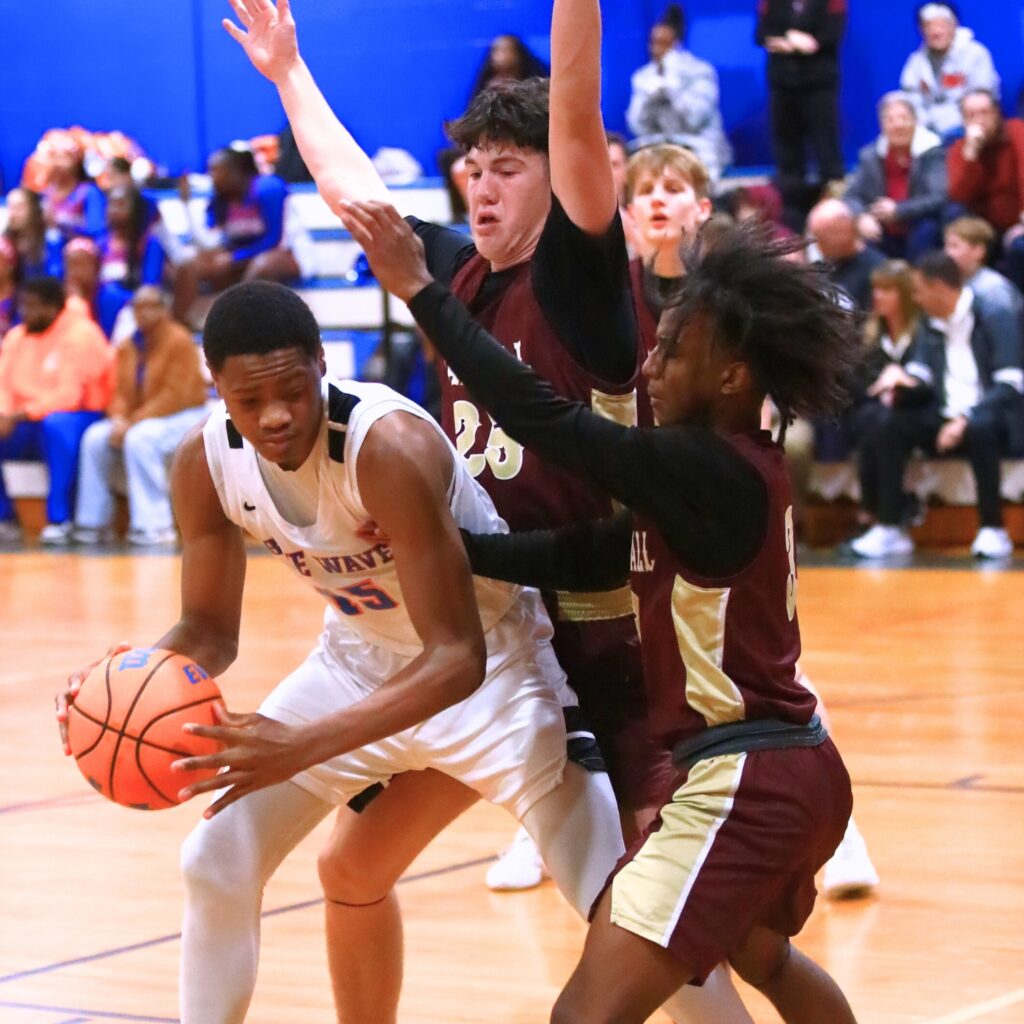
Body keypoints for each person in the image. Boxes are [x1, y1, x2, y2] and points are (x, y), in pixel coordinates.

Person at [221, 0, 748, 1019]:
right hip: (484, 631)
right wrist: (288, 73)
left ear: (560, 175)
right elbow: (354, 196)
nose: (482, 179)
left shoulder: (585, 284)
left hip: (597, 641)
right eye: (474, 164)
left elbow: (582, 113)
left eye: (510, 164)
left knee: (649, 927)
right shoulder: (452, 271)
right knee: (354, 867)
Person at [340, 200, 861, 1024]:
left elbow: (544, 419)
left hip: (746, 780)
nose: (650, 368)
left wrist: (421, 290)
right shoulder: (718, 474)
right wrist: (443, 547)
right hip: (794, 767)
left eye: (674, 354)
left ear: (730, 378)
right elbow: (586, 556)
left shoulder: (702, 464)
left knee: (582, 1015)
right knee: (768, 959)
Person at [850, 251, 1023, 559]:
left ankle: (992, 529)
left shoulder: (994, 314)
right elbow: (921, 373)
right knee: (885, 421)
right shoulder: (930, 325)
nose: (915, 298)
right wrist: (901, 379)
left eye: (919, 290)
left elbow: (1011, 383)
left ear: (940, 287)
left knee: (981, 428)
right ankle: (890, 525)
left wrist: (967, 417)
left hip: (990, 416)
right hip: (943, 416)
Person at [72, 287, 209, 546]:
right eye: (138, 307)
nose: (144, 313)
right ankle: (93, 522)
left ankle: (154, 526)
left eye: (151, 306)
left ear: (163, 310)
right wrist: (118, 418)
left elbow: (175, 395)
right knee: (94, 437)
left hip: (185, 415)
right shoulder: (127, 346)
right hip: (142, 417)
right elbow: (119, 393)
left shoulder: (179, 340)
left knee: (140, 438)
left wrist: (132, 422)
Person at [0, 277, 113, 543]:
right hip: (26, 419)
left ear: (54, 308)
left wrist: (18, 415)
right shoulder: (17, 336)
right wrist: (4, 414)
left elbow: (69, 396)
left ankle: (60, 519)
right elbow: (3, 383)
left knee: (57, 425)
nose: (27, 313)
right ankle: (4, 519)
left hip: (81, 415)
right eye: (24, 306)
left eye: (34, 307)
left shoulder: (80, 334)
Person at [173, 145, 298, 325]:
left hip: (288, 253)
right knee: (189, 265)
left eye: (216, 171)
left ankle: (243, 327)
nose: (211, 177)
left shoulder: (268, 188)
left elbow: (274, 240)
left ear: (235, 171)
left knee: (261, 266)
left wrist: (234, 258)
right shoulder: (221, 198)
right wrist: (186, 203)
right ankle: (180, 331)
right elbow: (209, 242)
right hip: (241, 258)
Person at [756, 0, 848, 230]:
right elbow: (761, 35)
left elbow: (831, 36)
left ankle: (834, 219)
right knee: (788, 158)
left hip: (819, 86)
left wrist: (805, 43)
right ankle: (791, 222)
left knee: (828, 154)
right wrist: (794, 40)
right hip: (783, 85)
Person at [846, 260, 925, 529]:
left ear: (904, 294)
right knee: (873, 418)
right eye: (876, 289)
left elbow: (928, 381)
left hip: (915, 410)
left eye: (887, 290)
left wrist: (900, 385)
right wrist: (881, 385)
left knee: (879, 421)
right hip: (875, 411)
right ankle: (886, 511)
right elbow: (855, 381)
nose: (878, 296)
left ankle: (875, 513)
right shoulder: (869, 334)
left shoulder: (923, 333)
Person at [626, 4, 731, 184]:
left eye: (664, 44)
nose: (657, 50)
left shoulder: (700, 72)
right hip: (657, 148)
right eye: (654, 43)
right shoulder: (643, 77)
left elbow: (694, 119)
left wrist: (671, 90)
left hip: (696, 147)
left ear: (677, 44)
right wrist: (649, 101)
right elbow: (636, 127)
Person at [843, 92, 947, 260]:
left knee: (926, 231)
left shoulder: (931, 151)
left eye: (904, 118)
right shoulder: (871, 155)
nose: (898, 125)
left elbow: (938, 197)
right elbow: (850, 196)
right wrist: (860, 217)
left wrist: (899, 210)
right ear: (882, 124)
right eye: (890, 120)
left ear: (915, 120)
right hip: (883, 228)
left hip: (920, 224)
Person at [947, 90, 1024, 290]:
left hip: (1017, 223)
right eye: (971, 115)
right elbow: (959, 195)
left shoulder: (1017, 132)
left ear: (997, 113)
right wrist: (971, 153)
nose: (980, 120)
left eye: (985, 113)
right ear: (963, 121)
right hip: (983, 228)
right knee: (953, 214)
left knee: (1020, 248)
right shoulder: (960, 149)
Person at [899, 3, 1000, 142]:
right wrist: (924, 126)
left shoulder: (975, 54)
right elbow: (910, 97)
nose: (936, 32)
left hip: (967, 128)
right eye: (929, 26)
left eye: (941, 25)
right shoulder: (916, 62)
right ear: (921, 30)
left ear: (954, 25)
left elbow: (982, 97)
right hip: (928, 131)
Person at [807, 198, 886, 311]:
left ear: (844, 233)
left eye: (823, 239)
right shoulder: (818, 268)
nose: (818, 247)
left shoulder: (877, 270)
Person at [944, 216, 1023, 319]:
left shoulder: (994, 291)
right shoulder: (951, 284)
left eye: (954, 246)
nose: (947, 253)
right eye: (946, 246)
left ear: (978, 251)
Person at [4, 187, 58, 281]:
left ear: (34, 209)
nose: (12, 214)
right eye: (10, 208)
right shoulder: (6, 243)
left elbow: (54, 279)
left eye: (19, 208)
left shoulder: (51, 241)